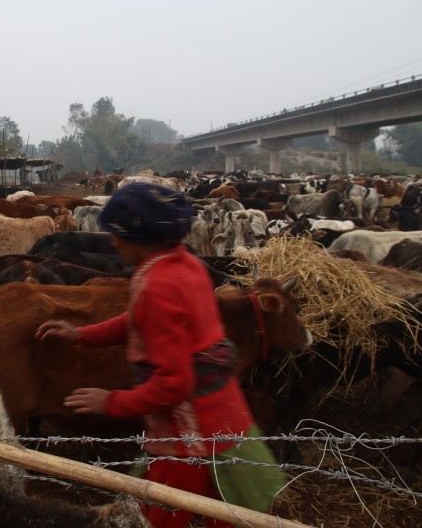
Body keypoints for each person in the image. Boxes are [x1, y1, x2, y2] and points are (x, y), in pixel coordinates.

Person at [35, 182, 285, 528]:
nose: (113, 243)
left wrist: (110, 402)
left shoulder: (158, 285)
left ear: (141, 238)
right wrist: (81, 334)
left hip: (188, 441)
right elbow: (139, 319)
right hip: (226, 420)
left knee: (159, 519)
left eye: (119, 235)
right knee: (229, 515)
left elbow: (175, 384)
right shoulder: (185, 266)